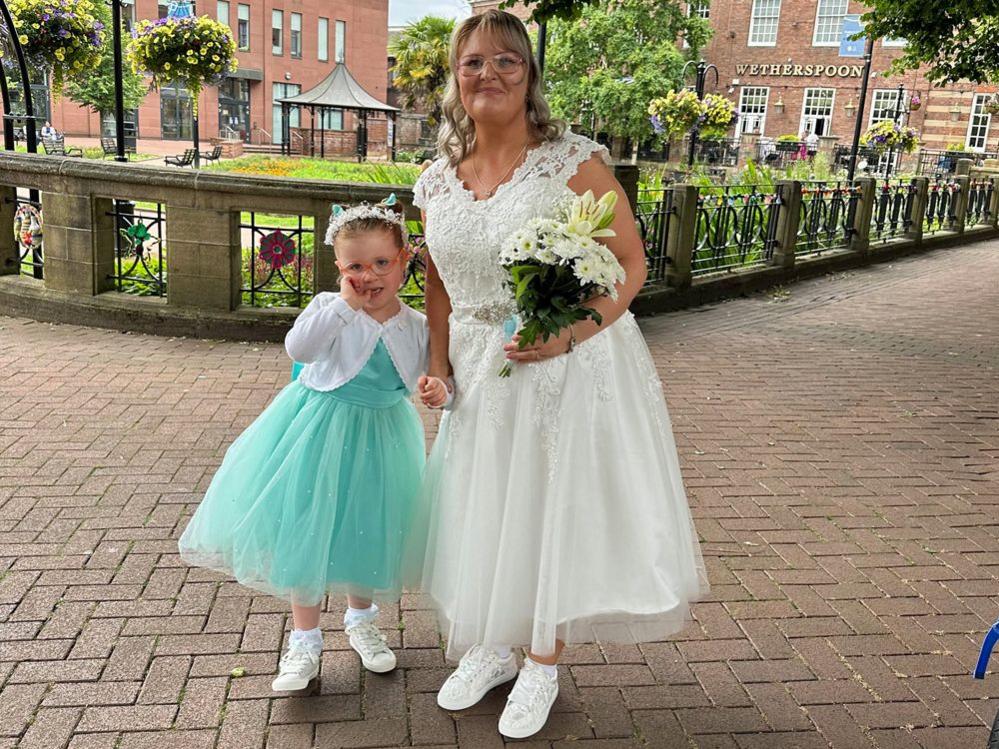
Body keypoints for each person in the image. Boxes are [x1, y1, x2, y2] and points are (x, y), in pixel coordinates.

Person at [412, 9, 708, 741]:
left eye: (507, 61)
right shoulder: (434, 180)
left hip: (560, 365)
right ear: (456, 77)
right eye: (473, 61)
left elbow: (631, 263)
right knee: (481, 504)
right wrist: (437, 362)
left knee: (547, 507)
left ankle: (542, 658)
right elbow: (440, 282)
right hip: (479, 371)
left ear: (529, 76)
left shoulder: (572, 162)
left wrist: (568, 333)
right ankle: (491, 643)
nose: (489, 74)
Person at [179, 195, 450, 692]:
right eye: (355, 266)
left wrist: (437, 389)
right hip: (317, 430)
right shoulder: (329, 306)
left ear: (406, 258)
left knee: (368, 523)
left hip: (383, 436)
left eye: (382, 263)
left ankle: (361, 621)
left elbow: (429, 378)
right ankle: (304, 641)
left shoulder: (416, 326)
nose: (368, 276)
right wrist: (345, 305)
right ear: (339, 267)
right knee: (307, 525)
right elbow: (299, 348)